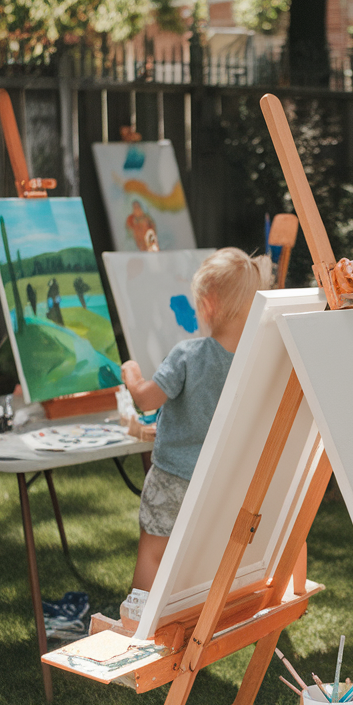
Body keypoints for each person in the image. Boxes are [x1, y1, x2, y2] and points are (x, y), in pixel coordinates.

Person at [122, 247, 273, 591]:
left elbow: (146, 400)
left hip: (173, 478)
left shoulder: (188, 355)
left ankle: (140, 627)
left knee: (154, 554)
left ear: (207, 305)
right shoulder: (257, 361)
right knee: (201, 556)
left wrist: (131, 373)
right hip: (220, 483)